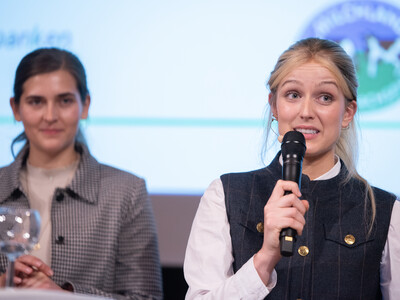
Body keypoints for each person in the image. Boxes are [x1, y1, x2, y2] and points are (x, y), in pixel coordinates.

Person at [184, 37, 400, 299]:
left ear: (347, 112)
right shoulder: (226, 195)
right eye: (293, 95)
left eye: (325, 97)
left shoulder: (386, 211)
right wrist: (264, 259)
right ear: (274, 106)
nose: (306, 111)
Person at [0, 48, 163, 299]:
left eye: (65, 101)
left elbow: (146, 297)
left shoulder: (126, 192)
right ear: (16, 108)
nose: (50, 116)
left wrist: (66, 295)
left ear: (85, 105)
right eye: (36, 102)